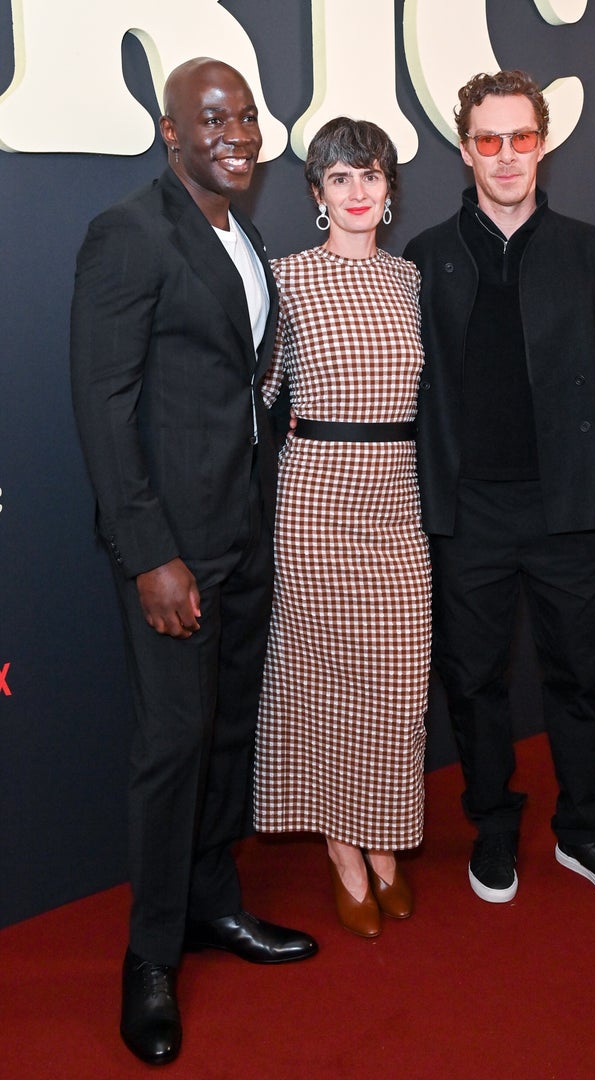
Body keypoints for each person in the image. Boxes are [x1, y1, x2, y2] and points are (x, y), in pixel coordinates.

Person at [70, 57, 317, 1067]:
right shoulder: (130, 232)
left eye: (247, 115)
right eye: (211, 118)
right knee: (174, 750)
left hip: (243, 537)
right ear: (170, 131)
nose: (236, 132)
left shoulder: (242, 232)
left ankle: (216, 906)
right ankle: (151, 960)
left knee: (225, 740)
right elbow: (103, 403)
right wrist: (150, 555)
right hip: (173, 553)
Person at [404, 70, 595, 909]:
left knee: (582, 675)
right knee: (473, 680)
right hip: (469, 512)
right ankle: (494, 825)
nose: (506, 156)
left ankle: (586, 833)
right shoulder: (428, 256)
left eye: (521, 138)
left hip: (569, 511)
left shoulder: (589, 246)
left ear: (542, 144)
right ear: (465, 147)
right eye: (488, 139)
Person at [253, 118, 432, 939]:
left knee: (396, 682)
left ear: (389, 190)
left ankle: (387, 835)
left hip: (396, 501)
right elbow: (258, 398)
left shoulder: (411, 282)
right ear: (317, 195)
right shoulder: (285, 278)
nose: (357, 191)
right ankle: (344, 851)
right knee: (325, 683)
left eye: (370, 176)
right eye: (339, 179)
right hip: (315, 499)